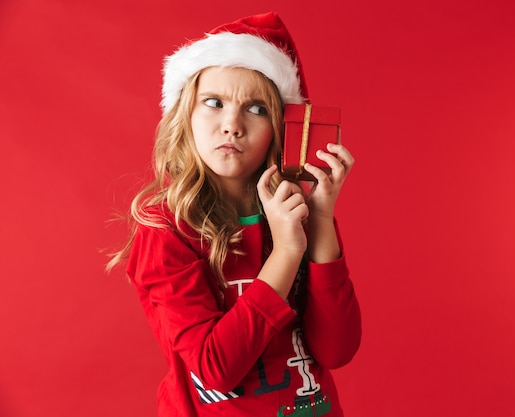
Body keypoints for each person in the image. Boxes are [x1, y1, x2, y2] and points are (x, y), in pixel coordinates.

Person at [106, 11, 361, 417]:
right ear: (184, 117)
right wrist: (285, 255)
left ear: (282, 127)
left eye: (256, 109)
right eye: (213, 103)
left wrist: (321, 219)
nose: (232, 125)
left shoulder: (295, 211)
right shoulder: (165, 228)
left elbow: (337, 349)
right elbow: (215, 370)